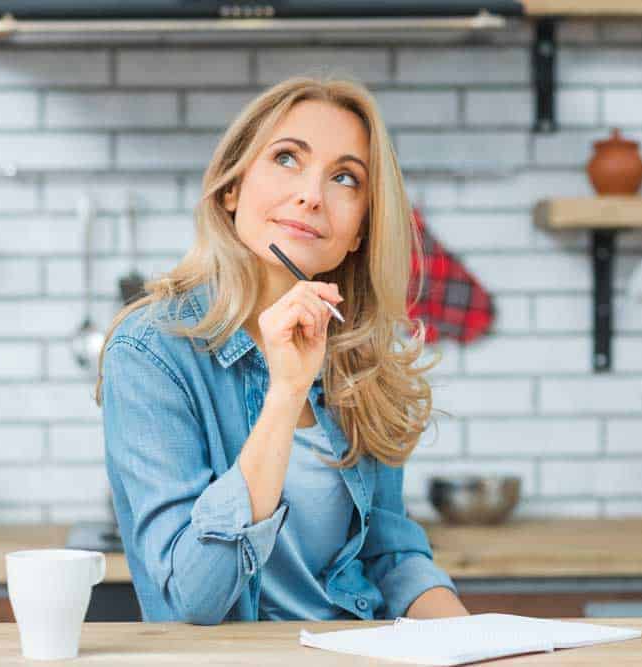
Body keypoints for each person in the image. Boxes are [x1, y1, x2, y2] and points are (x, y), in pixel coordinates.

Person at [95, 75, 467, 625]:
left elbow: (391, 556)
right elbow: (192, 598)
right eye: (287, 158)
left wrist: (476, 639)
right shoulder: (151, 352)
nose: (312, 195)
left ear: (359, 229)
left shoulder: (360, 354)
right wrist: (287, 391)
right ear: (232, 188)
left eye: (344, 177)